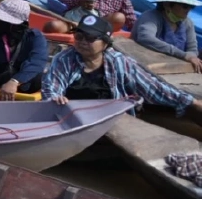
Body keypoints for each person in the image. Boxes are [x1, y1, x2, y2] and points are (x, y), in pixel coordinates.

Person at [41, 13, 202, 120]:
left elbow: (153, 88)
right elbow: (52, 87)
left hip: (109, 120)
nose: (83, 42)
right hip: (71, 119)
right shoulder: (64, 59)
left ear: (105, 43)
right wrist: (55, 98)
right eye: (79, 36)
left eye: (90, 38)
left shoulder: (119, 62)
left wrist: (191, 101)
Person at [131, 0, 202, 72]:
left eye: (191, 6)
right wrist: (183, 55)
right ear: (167, 4)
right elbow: (146, 38)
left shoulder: (187, 23)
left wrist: (191, 56)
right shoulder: (150, 17)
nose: (188, 9)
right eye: (185, 6)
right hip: (145, 66)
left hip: (174, 67)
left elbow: (192, 48)